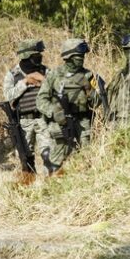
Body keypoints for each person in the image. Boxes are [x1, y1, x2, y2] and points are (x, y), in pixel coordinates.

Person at [36, 38, 97, 175]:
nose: (81, 59)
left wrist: (90, 90)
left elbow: (97, 102)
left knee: (86, 161)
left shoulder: (88, 75)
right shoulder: (54, 75)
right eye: (78, 57)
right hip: (60, 124)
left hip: (83, 124)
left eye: (83, 56)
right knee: (55, 163)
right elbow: (41, 100)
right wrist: (53, 112)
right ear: (68, 56)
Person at [2, 39, 49, 184]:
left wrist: (44, 80)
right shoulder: (13, 75)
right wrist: (25, 82)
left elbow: (58, 89)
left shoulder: (45, 71)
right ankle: (28, 186)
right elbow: (8, 95)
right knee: (25, 157)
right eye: (36, 56)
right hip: (23, 122)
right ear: (27, 56)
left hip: (43, 119)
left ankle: (52, 186)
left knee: (49, 154)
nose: (39, 58)